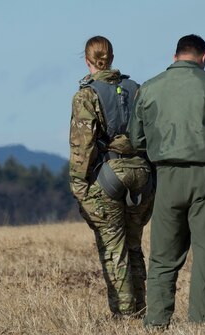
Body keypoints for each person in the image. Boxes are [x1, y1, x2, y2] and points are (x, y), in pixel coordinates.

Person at [128, 34, 205, 327]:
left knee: (162, 256)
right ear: (204, 58)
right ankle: (202, 322)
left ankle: (156, 322)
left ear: (174, 57)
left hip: (166, 176)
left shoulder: (149, 88)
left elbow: (136, 138)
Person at [69, 36, 154, 318]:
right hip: (142, 173)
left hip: (109, 175)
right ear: (112, 57)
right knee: (134, 246)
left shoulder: (86, 95)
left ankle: (126, 315)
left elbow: (82, 147)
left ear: (87, 59)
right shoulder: (136, 89)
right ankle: (142, 311)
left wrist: (79, 188)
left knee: (113, 248)